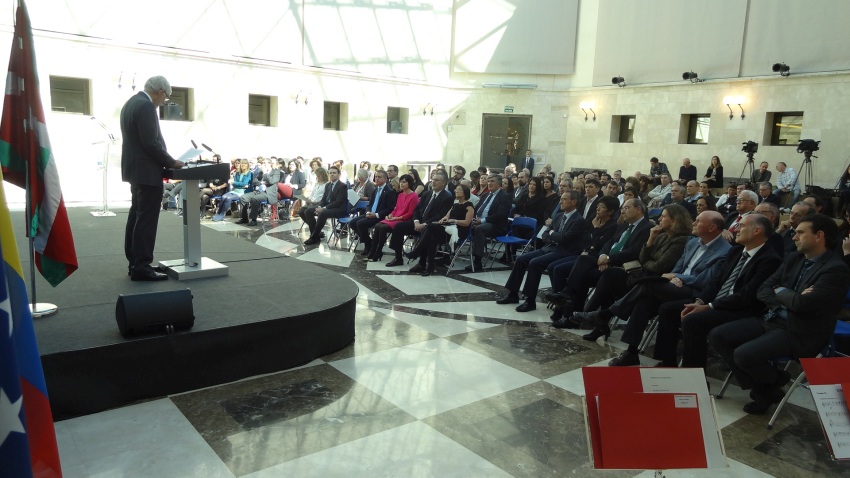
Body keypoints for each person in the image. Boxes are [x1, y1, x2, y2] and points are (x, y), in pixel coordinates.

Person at [709, 214, 850, 414]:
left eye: (800, 233)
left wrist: (781, 290)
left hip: (799, 330)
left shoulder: (835, 270)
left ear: (819, 236)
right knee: (718, 335)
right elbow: (764, 289)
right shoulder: (794, 258)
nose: (794, 237)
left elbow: (802, 304)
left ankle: (766, 388)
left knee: (744, 354)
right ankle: (770, 384)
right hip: (772, 317)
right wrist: (785, 294)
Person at [652, 214, 782, 367]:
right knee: (669, 309)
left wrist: (709, 306)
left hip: (740, 309)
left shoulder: (770, 259)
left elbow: (747, 295)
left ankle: (694, 375)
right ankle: (667, 362)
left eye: (742, 226)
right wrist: (699, 301)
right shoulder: (735, 252)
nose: (736, 230)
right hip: (716, 302)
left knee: (692, 321)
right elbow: (716, 281)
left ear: (757, 231)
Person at [570, 204, 694, 340]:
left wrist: (647, 262)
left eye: (663, 216)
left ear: (674, 220)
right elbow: (642, 258)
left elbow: (659, 266)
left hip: (654, 280)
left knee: (612, 281)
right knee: (610, 275)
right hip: (643, 274)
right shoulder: (661, 236)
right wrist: (651, 239)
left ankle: (594, 317)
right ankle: (596, 319)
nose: (659, 219)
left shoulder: (681, 241)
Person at [121, 75, 185, 281]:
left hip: (135, 171)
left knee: (136, 217)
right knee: (146, 221)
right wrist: (172, 162)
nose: (164, 102)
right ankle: (142, 265)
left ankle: (135, 261)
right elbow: (150, 142)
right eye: (166, 97)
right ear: (160, 92)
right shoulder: (146, 106)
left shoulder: (130, 103)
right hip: (147, 173)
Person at [496, 190, 588, 312]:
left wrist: (552, 234)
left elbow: (564, 239)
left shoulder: (578, 220)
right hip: (550, 247)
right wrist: (552, 234)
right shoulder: (559, 216)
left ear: (574, 202)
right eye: (561, 199)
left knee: (535, 263)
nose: (560, 201)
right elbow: (545, 233)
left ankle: (530, 300)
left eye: (564, 199)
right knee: (521, 259)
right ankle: (513, 294)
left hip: (565, 251)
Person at [405, 184, 475, 275]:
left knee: (430, 227)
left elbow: (466, 223)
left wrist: (454, 221)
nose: (456, 191)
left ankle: (416, 252)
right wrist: (444, 219)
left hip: (459, 231)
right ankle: (429, 267)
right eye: (456, 189)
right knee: (431, 239)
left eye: (459, 190)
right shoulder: (455, 204)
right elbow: (447, 215)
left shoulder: (469, 206)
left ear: (465, 193)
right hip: (448, 228)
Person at [365, 174, 420, 262]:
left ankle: (378, 252)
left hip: (404, 220)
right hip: (395, 218)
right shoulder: (400, 195)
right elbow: (396, 209)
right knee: (378, 226)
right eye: (401, 182)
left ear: (409, 183)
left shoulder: (413, 196)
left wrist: (396, 218)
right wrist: (391, 215)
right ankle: (372, 251)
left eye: (404, 182)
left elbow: (411, 213)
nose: (401, 184)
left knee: (383, 228)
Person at [465, 174, 513, 272]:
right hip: (479, 221)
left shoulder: (505, 196)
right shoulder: (485, 195)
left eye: (492, 181)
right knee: (462, 224)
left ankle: (477, 262)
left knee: (479, 229)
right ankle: (450, 253)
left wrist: (481, 221)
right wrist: (473, 219)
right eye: (489, 181)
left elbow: (501, 215)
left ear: (499, 184)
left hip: (496, 225)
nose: (489, 183)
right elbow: (476, 209)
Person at [351, 170, 397, 256]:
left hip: (380, 216)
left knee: (361, 223)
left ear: (385, 179)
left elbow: (390, 209)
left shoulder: (389, 191)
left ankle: (368, 246)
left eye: (380, 177)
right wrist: (368, 211)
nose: (377, 179)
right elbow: (370, 204)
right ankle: (369, 242)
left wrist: (376, 214)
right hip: (370, 213)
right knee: (352, 223)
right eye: (376, 177)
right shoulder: (375, 190)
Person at [300, 166, 348, 245]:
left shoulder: (342, 186)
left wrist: (324, 208)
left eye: (334, 173)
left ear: (338, 174)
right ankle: (315, 236)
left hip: (338, 209)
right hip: (327, 208)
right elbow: (323, 200)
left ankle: (313, 237)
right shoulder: (328, 185)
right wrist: (319, 207)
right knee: (308, 211)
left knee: (323, 213)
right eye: (330, 173)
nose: (332, 174)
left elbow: (338, 202)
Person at [236, 160, 281, 226]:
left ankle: (253, 220)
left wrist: (265, 173)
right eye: (263, 163)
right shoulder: (261, 172)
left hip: (268, 193)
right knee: (243, 198)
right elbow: (254, 181)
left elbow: (271, 181)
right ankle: (244, 218)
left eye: (265, 163)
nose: (263, 165)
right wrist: (262, 183)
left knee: (254, 199)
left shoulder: (276, 172)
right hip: (258, 191)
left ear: (270, 164)